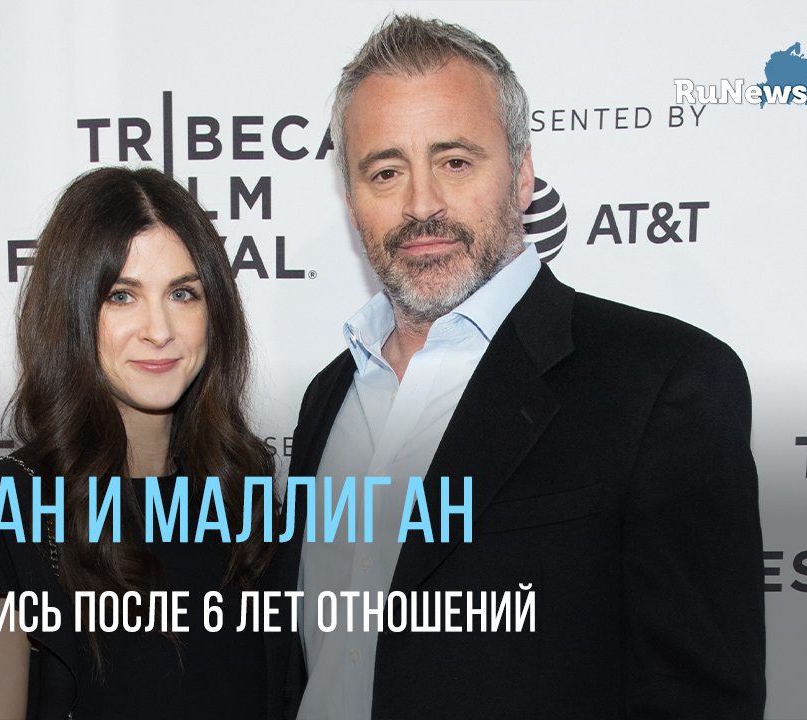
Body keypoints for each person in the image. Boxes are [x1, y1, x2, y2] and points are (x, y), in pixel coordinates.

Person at [266, 15, 766, 719]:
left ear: (523, 175)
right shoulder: (331, 393)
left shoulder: (664, 385)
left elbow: (701, 698)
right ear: (352, 202)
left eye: (455, 162)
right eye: (385, 172)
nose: (421, 204)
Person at [0, 167, 282, 720]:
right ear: (73, 312)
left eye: (183, 293)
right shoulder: (7, 512)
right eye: (121, 296)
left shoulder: (244, 492)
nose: (159, 329)